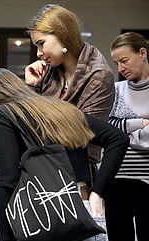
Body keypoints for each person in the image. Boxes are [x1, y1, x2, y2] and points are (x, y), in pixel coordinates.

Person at [0, 68, 129, 241]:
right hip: (88, 218)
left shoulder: (1, 114)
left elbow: (6, 180)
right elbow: (118, 138)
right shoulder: (61, 109)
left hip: (49, 223)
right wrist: (97, 192)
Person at [24, 4, 115, 188]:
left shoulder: (98, 75)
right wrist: (32, 87)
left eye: (41, 43)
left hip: (76, 177)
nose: (39, 53)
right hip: (42, 169)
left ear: (62, 32)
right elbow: (29, 122)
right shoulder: (49, 72)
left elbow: (81, 134)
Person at [106, 32, 149, 241]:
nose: (121, 67)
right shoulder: (116, 90)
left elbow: (118, 133)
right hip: (117, 178)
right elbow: (107, 130)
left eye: (124, 60)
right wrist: (142, 123)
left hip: (147, 180)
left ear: (142, 53)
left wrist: (125, 132)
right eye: (116, 63)